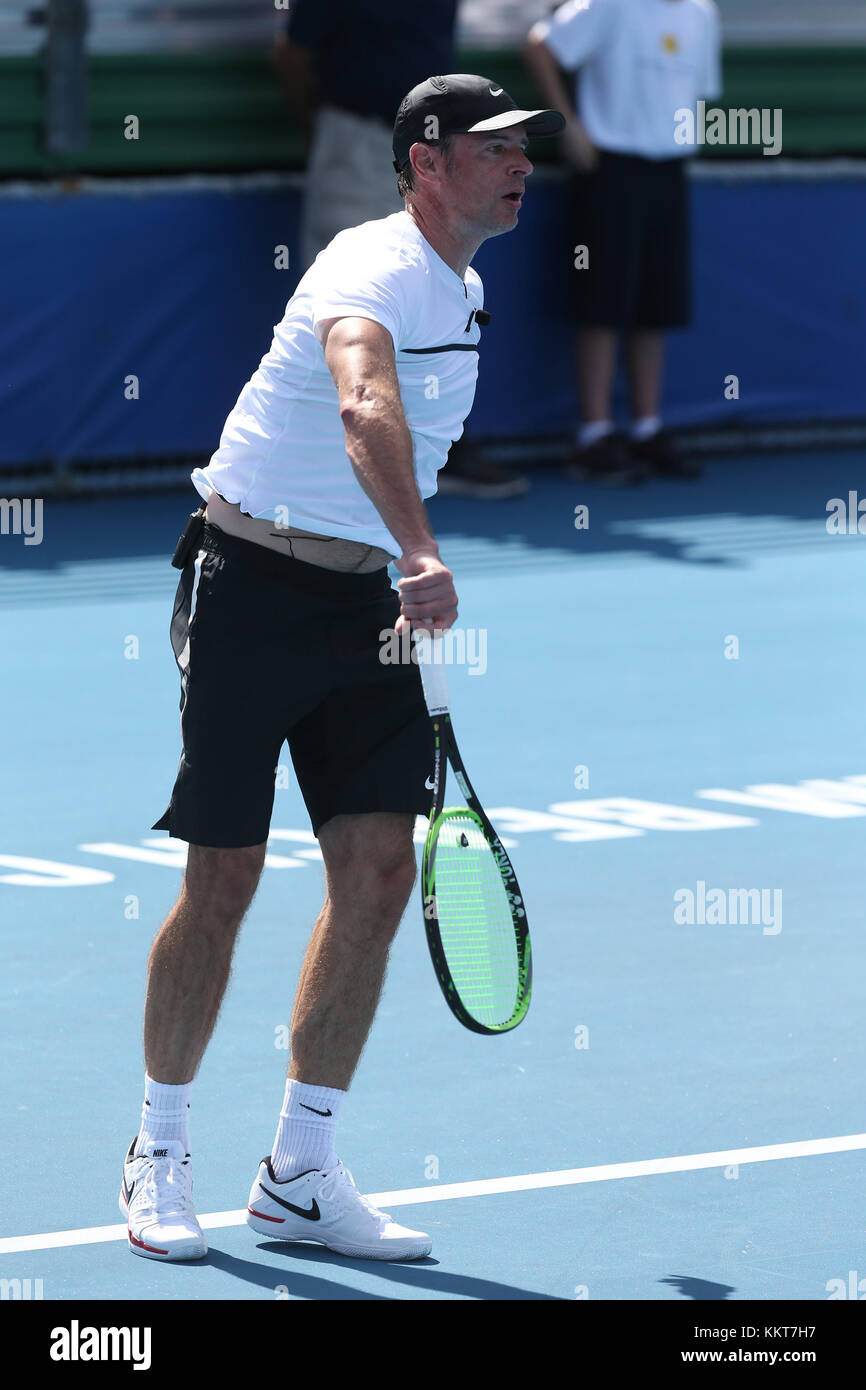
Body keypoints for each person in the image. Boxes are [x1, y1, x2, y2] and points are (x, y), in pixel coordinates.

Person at [121, 74, 564, 1264]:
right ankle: (159, 1147)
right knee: (225, 876)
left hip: (357, 603)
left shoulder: (463, 285)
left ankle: (300, 1174)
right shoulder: (363, 270)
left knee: (374, 873)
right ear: (426, 162)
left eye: (525, 146)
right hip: (249, 584)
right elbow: (365, 402)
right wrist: (422, 546)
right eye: (495, 147)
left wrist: (393, 561)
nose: (521, 162)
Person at [273, 0, 528, 498]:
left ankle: (439, 449)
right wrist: (326, 127)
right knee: (350, 304)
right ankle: (333, 460)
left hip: (432, 154)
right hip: (356, 138)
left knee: (433, 284)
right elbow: (292, 55)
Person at [524, 0, 722, 483]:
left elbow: (698, 93)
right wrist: (568, 125)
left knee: (657, 302)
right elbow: (539, 45)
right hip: (609, 169)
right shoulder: (609, 4)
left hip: (669, 170)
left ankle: (646, 429)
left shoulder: (702, 13)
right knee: (603, 301)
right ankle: (592, 436)